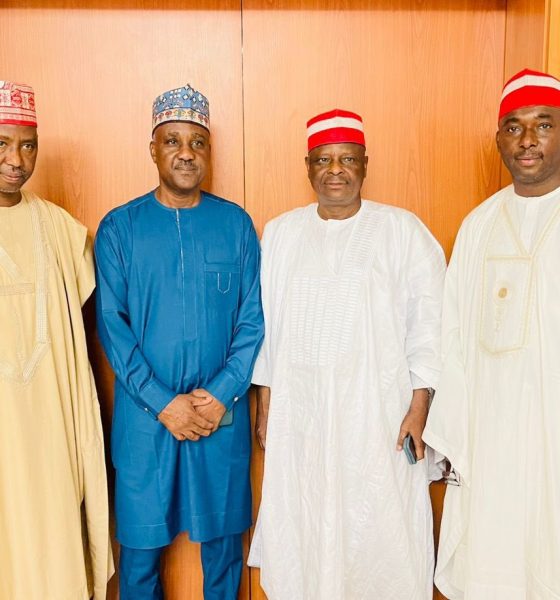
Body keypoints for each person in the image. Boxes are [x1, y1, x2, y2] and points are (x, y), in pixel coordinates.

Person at [248, 109, 446, 599]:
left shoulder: (402, 231)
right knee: (306, 519)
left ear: (364, 165)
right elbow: (267, 326)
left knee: (382, 528)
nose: (335, 170)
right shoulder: (281, 233)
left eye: (347, 159)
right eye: (324, 159)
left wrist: (420, 407)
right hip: (302, 416)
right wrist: (266, 405)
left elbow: (430, 326)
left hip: (380, 416)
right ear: (308, 167)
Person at [95, 84, 264, 600]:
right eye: (173, 141)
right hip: (146, 421)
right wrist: (163, 402)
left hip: (219, 417)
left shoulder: (235, 224)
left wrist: (221, 393)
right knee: (140, 558)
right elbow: (112, 326)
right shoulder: (119, 228)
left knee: (224, 556)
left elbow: (252, 322)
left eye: (197, 142)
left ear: (209, 151)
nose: (186, 153)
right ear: (153, 149)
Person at [423, 68, 560, 600]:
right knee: (493, 554)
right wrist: (453, 431)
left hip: (552, 429)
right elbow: (451, 335)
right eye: (514, 127)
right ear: (499, 138)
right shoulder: (478, 225)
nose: (527, 140)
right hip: (489, 431)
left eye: (543, 125)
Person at [0, 81, 113, 599]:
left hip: (51, 419)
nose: (16, 160)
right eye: (3, 144)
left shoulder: (59, 227)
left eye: (28, 145)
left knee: (53, 534)